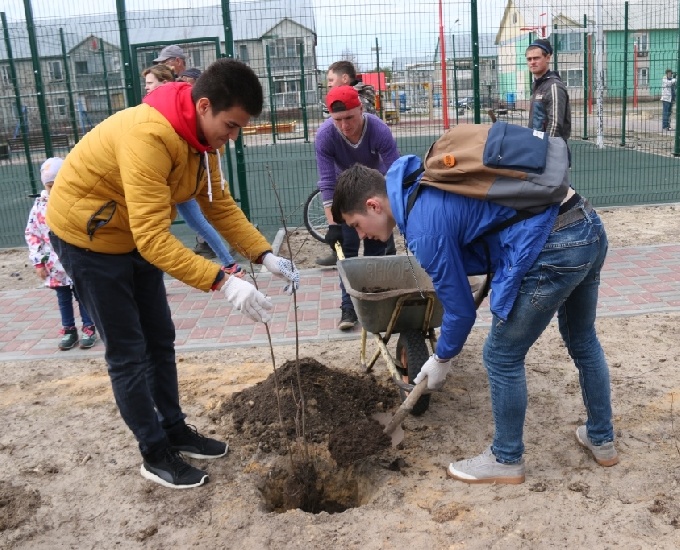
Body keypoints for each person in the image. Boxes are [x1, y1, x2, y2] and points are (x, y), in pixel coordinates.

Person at [45, 59, 300, 489]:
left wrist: (263, 255)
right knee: (127, 351)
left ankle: (174, 428)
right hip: (87, 239)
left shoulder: (202, 144)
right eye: (232, 125)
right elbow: (153, 239)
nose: (233, 137)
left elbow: (218, 204)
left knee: (160, 338)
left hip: (129, 234)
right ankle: (154, 451)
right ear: (204, 106)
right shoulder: (149, 136)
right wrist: (223, 281)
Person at [331, 162, 618, 485]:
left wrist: (441, 359)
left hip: (554, 243)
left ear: (374, 205)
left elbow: (460, 311)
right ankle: (601, 439)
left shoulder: (424, 227)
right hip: (586, 223)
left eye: (356, 224)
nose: (360, 234)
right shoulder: (419, 180)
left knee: (501, 355)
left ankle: (506, 459)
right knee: (582, 339)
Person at [142, 64, 242, 274]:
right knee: (159, 229)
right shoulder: (150, 112)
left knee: (196, 222)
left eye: (150, 83)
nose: (147, 88)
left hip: (179, 180)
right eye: (146, 84)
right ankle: (228, 264)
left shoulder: (182, 114)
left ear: (165, 83)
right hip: (164, 181)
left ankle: (229, 264)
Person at [316, 86, 399, 330]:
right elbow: (327, 182)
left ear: (361, 109)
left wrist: (397, 211)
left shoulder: (378, 130)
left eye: (350, 118)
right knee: (347, 253)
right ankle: (348, 308)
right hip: (345, 195)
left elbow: (395, 170)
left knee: (376, 251)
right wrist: (333, 225)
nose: (344, 125)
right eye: (338, 120)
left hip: (375, 191)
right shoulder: (325, 136)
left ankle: (376, 303)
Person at [25, 158, 97, 351]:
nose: (54, 189)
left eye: (58, 184)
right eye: (49, 186)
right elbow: (33, 234)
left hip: (77, 260)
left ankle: (89, 327)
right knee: (63, 297)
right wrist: (39, 262)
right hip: (55, 266)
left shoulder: (75, 201)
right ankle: (68, 329)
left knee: (83, 294)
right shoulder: (39, 207)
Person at [526, 39, 571, 144]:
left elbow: (555, 125)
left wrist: (544, 148)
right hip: (536, 146)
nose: (532, 62)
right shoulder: (538, 85)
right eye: (529, 59)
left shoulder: (554, 86)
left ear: (547, 58)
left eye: (536, 58)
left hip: (549, 150)